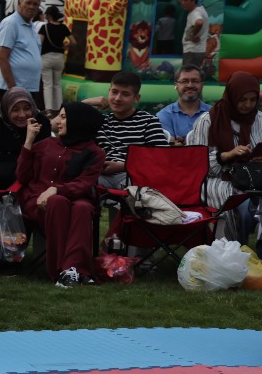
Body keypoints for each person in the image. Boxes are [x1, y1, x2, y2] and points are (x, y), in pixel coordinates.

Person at [17, 101, 106, 286]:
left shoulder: (94, 153)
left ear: (78, 122)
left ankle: (71, 271)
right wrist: (28, 142)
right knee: (57, 202)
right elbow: (22, 176)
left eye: (64, 117)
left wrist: (56, 188)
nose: (59, 122)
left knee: (81, 207)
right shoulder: (44, 145)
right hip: (40, 201)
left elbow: (83, 184)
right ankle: (63, 271)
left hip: (77, 199)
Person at [186, 72, 262, 242]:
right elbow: (196, 163)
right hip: (219, 178)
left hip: (256, 178)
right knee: (240, 206)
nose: (248, 105)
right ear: (231, 95)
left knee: (251, 203)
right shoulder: (209, 120)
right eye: (242, 100)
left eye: (253, 99)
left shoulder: (259, 120)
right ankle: (237, 250)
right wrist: (227, 155)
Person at [89, 72, 169, 188]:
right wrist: (87, 103)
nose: (117, 98)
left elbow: (162, 158)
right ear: (108, 91)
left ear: (136, 98)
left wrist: (124, 166)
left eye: (125, 94)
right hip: (101, 175)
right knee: (80, 185)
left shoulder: (148, 121)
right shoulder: (100, 121)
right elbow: (57, 126)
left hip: (132, 175)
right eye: (114, 92)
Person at [0, 86, 49, 191]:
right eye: (15, 109)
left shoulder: (41, 122)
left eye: (27, 108)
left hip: (33, 173)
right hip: (0, 177)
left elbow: (43, 156)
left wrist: (2, 155)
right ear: (6, 108)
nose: (22, 115)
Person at [0, 0, 43, 95]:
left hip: (28, 88)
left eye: (35, 4)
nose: (31, 7)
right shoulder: (11, 23)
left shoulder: (31, 26)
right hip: (12, 89)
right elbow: (2, 57)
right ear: (19, 3)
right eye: (28, 2)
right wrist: (13, 89)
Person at [157, 65, 211, 143]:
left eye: (195, 81)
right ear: (176, 85)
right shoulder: (164, 115)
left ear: (202, 85)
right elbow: (167, 146)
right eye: (184, 81)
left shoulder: (214, 113)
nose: (190, 85)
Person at [39, 6, 71, 112]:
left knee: (47, 84)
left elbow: (40, 43)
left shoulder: (45, 28)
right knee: (57, 84)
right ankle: (59, 108)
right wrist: (65, 46)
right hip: (59, 58)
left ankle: (48, 109)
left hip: (46, 58)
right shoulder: (63, 27)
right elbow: (74, 41)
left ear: (49, 16)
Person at [180, 0, 210, 72]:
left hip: (192, 50)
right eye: (182, 0)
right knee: (193, 74)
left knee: (188, 74)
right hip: (196, 50)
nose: (183, 3)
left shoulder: (195, 13)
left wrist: (192, 35)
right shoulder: (200, 10)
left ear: (193, 1)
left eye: (186, 1)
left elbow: (199, 22)